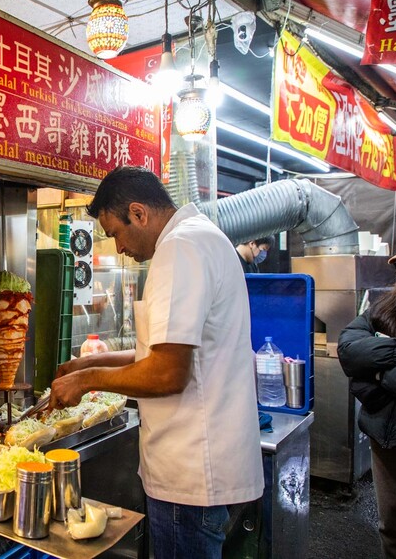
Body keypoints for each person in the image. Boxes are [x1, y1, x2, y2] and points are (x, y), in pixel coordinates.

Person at [50, 166, 264, 558]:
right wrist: (84, 367)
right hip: (201, 465)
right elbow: (161, 352)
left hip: (189, 470)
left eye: (116, 233)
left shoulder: (180, 249)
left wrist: (87, 380)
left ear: (139, 213)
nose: (119, 248)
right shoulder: (200, 237)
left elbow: (167, 373)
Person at [337, 227, 396, 559]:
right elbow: (348, 349)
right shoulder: (386, 305)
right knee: (393, 528)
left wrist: (376, 370)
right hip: (383, 439)